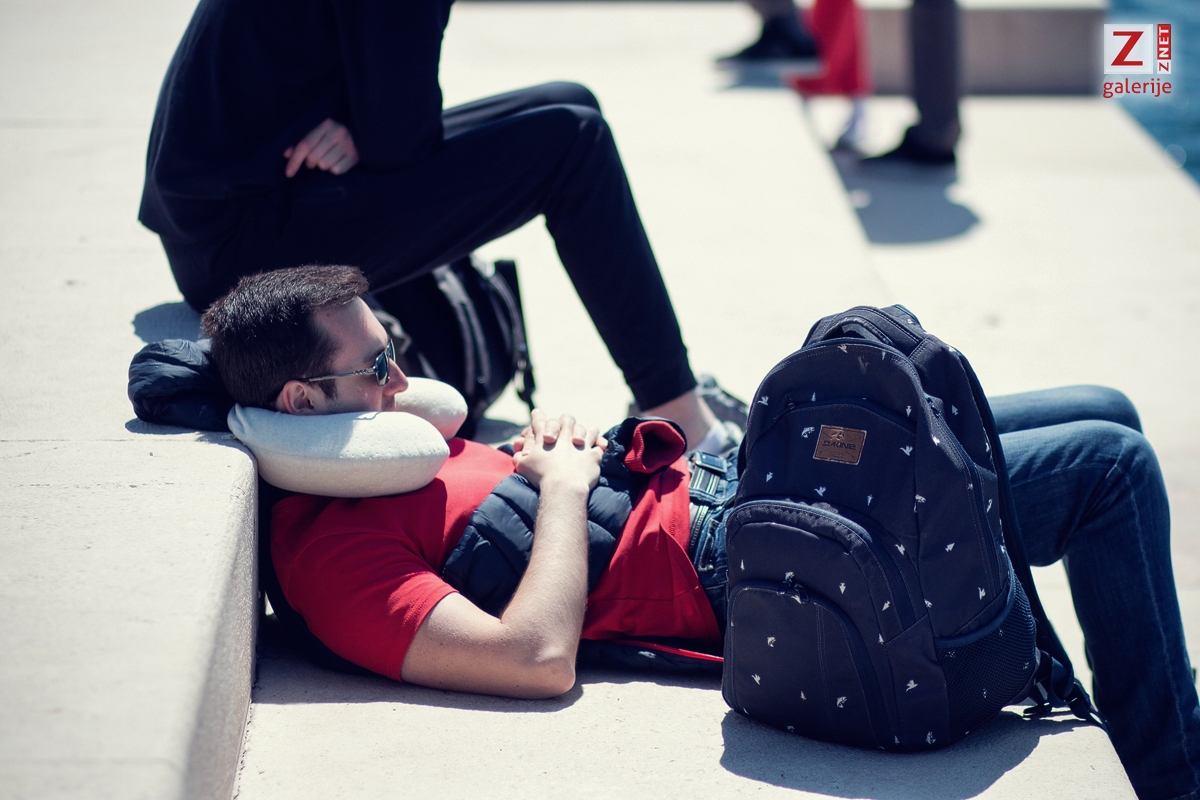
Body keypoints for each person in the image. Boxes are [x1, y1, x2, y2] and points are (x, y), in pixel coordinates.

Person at [203, 266, 1198, 800]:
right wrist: (565, 484)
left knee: (1102, 405)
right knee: (1109, 467)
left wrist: (546, 447)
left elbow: (494, 506)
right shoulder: (332, 557)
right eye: (376, 365)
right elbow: (533, 657)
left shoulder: (384, 448)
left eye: (395, 353)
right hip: (759, 555)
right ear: (302, 399)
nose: (400, 379)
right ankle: (1173, 778)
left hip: (736, 480)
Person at [138, 0, 730, 451]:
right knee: (576, 146)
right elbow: (400, 136)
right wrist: (367, 128)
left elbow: (387, 114)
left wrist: (354, 125)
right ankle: (674, 404)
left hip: (230, 205)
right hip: (241, 241)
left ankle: (669, 389)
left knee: (571, 101)